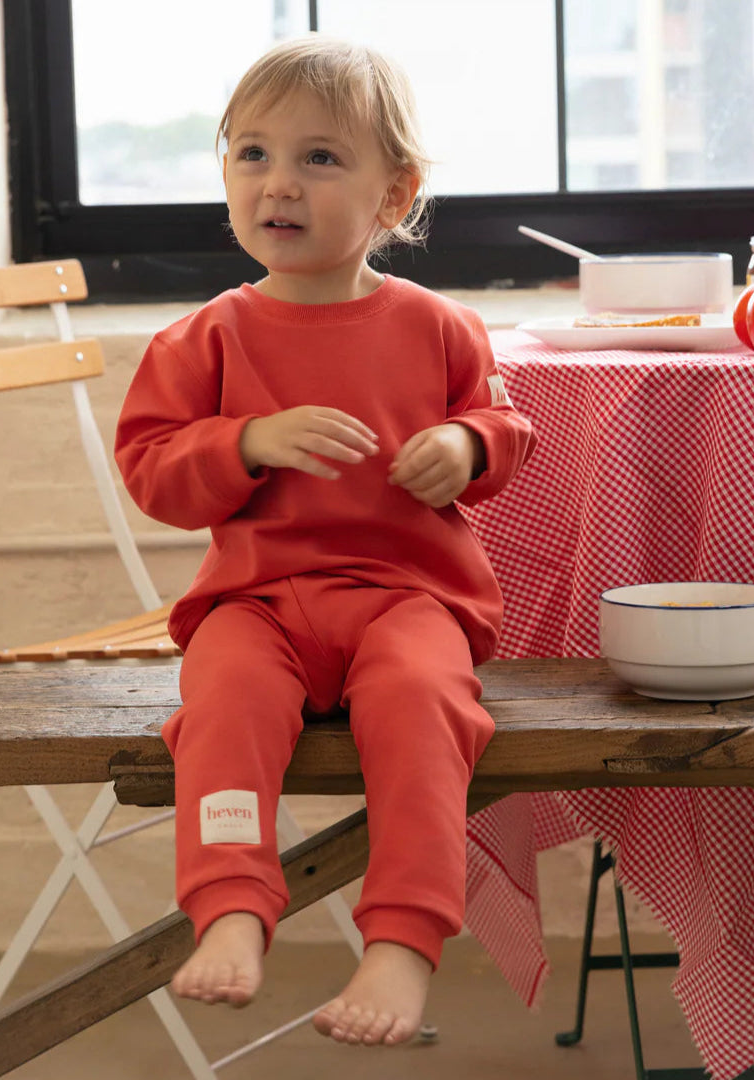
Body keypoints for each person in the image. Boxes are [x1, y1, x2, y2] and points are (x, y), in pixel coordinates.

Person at [114, 34, 535, 1048]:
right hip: (257, 604)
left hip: (408, 600)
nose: (278, 183)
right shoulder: (202, 339)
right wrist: (245, 441)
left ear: (396, 196)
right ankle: (229, 905)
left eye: (319, 157)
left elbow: (508, 427)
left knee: (423, 705)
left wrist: (463, 444)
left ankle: (402, 936)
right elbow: (153, 472)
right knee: (223, 702)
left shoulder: (439, 327)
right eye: (250, 153)